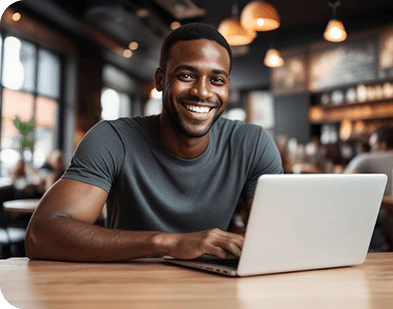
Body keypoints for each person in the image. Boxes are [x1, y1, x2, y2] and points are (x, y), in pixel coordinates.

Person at [25, 23, 284, 262]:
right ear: (160, 80)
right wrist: (169, 242)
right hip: (129, 289)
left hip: (215, 288)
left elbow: (280, 236)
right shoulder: (113, 139)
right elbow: (40, 236)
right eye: (186, 75)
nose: (203, 92)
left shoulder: (253, 144)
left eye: (217, 80)